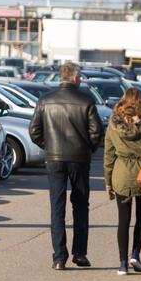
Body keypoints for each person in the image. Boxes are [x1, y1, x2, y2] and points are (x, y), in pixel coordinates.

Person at [29, 62, 103, 270]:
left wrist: (49, 146)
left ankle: (59, 257)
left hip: (54, 159)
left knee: (57, 207)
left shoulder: (45, 100)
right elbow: (97, 132)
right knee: (80, 206)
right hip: (79, 159)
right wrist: (88, 148)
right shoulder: (86, 101)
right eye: (79, 77)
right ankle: (79, 253)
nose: (80, 80)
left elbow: (34, 131)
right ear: (74, 78)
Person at [103, 88, 141, 276]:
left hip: (121, 174)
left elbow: (108, 154)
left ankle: (122, 264)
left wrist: (108, 183)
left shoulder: (113, 124)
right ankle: (135, 254)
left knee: (123, 220)